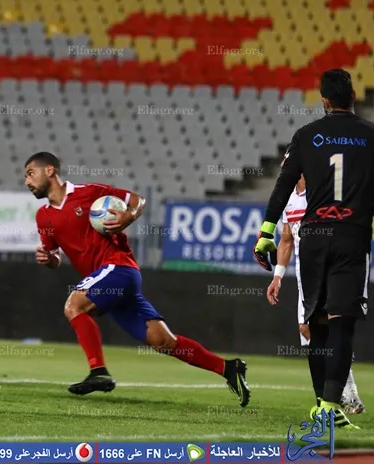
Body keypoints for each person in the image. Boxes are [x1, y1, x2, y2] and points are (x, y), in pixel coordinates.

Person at [253, 69, 374, 429]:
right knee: (342, 322)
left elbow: (283, 185)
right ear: (353, 96)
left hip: (313, 237)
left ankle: (322, 406)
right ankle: (329, 406)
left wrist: (265, 232)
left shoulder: (305, 135)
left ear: (324, 101)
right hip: (351, 237)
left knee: (316, 323)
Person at [24, 152, 250, 406]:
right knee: (163, 341)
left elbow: (137, 200)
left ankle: (98, 371)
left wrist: (129, 215)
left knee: (73, 306)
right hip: (110, 281)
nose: (27, 181)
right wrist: (48, 258)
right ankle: (228, 368)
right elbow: (54, 257)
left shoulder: (90, 193)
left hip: (118, 267)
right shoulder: (43, 217)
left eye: (31, 173)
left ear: (50, 170)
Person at [266, 172, 365, 414]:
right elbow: (286, 240)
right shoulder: (288, 199)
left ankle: (346, 393)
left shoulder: (322, 193)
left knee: (330, 328)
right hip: (306, 275)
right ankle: (341, 390)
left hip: (329, 269)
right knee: (307, 329)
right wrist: (277, 276)